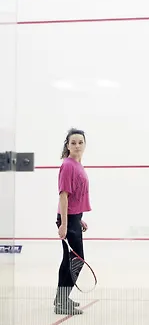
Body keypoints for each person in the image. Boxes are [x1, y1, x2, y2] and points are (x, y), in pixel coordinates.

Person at [53, 128, 91, 315]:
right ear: (67, 145)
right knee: (77, 260)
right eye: (73, 143)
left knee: (69, 260)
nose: (77, 146)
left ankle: (61, 299)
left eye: (80, 142)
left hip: (74, 218)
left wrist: (79, 219)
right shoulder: (68, 165)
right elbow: (64, 196)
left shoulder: (77, 165)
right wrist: (65, 224)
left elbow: (76, 196)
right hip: (67, 220)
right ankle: (61, 301)